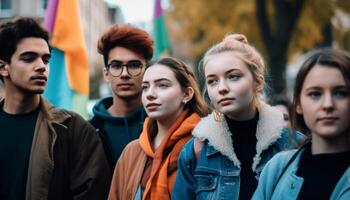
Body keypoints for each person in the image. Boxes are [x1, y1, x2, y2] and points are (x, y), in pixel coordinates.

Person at [172, 34, 305, 200]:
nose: (222, 88)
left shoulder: (295, 146)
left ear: (258, 82)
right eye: (212, 81)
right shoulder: (195, 152)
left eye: (233, 76)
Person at [0, 18, 110, 200]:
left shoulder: (73, 129)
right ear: (4, 67)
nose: (41, 67)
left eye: (46, 59)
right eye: (29, 58)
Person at [253, 48, 350, 200]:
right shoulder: (276, 169)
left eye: (340, 93)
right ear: (298, 103)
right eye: (315, 94)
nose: (328, 104)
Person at [108, 57, 208, 200]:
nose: (150, 94)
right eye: (145, 87)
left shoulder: (205, 146)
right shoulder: (132, 152)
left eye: (162, 85)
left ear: (186, 94)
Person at [90, 24, 153, 170]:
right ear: (106, 74)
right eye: (117, 66)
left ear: (147, 71)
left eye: (134, 65)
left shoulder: (161, 124)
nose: (125, 74)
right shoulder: (87, 131)